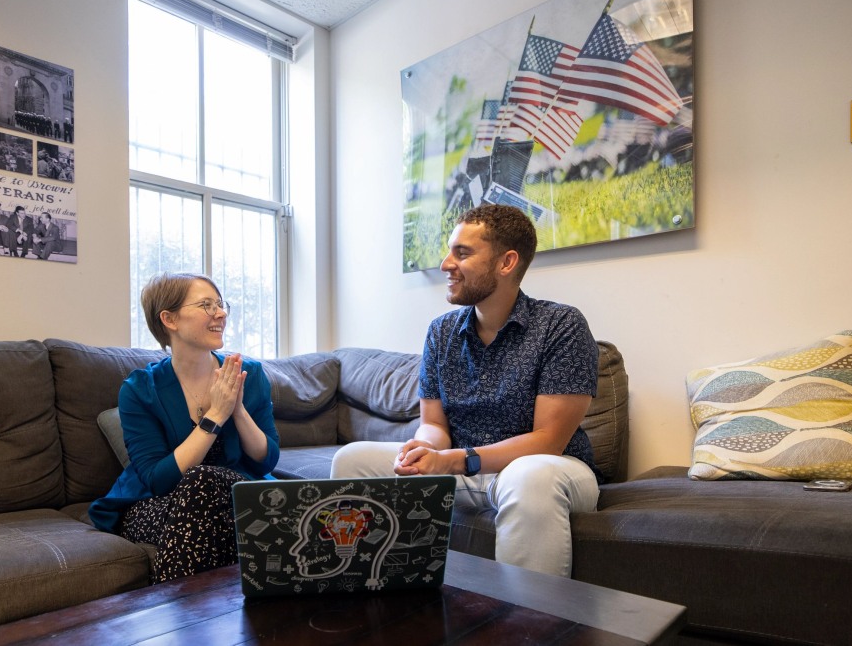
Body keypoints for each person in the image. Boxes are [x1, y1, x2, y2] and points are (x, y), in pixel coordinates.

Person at [330, 204, 602, 578]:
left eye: (462, 253)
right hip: (463, 469)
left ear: (506, 263)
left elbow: (548, 442)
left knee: (529, 476)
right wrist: (425, 447)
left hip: (552, 470)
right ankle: (365, 593)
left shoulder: (560, 325)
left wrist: (454, 460)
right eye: (449, 251)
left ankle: (529, 624)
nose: (445, 264)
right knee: (353, 459)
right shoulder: (441, 332)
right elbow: (434, 425)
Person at [88, 274, 280, 582]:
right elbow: (158, 479)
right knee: (203, 485)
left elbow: (266, 459)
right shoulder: (140, 390)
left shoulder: (247, 374)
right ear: (169, 319)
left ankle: (175, 617)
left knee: (217, 504)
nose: (221, 313)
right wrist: (216, 414)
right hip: (157, 502)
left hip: (235, 496)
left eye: (220, 304)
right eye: (206, 305)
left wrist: (237, 408)